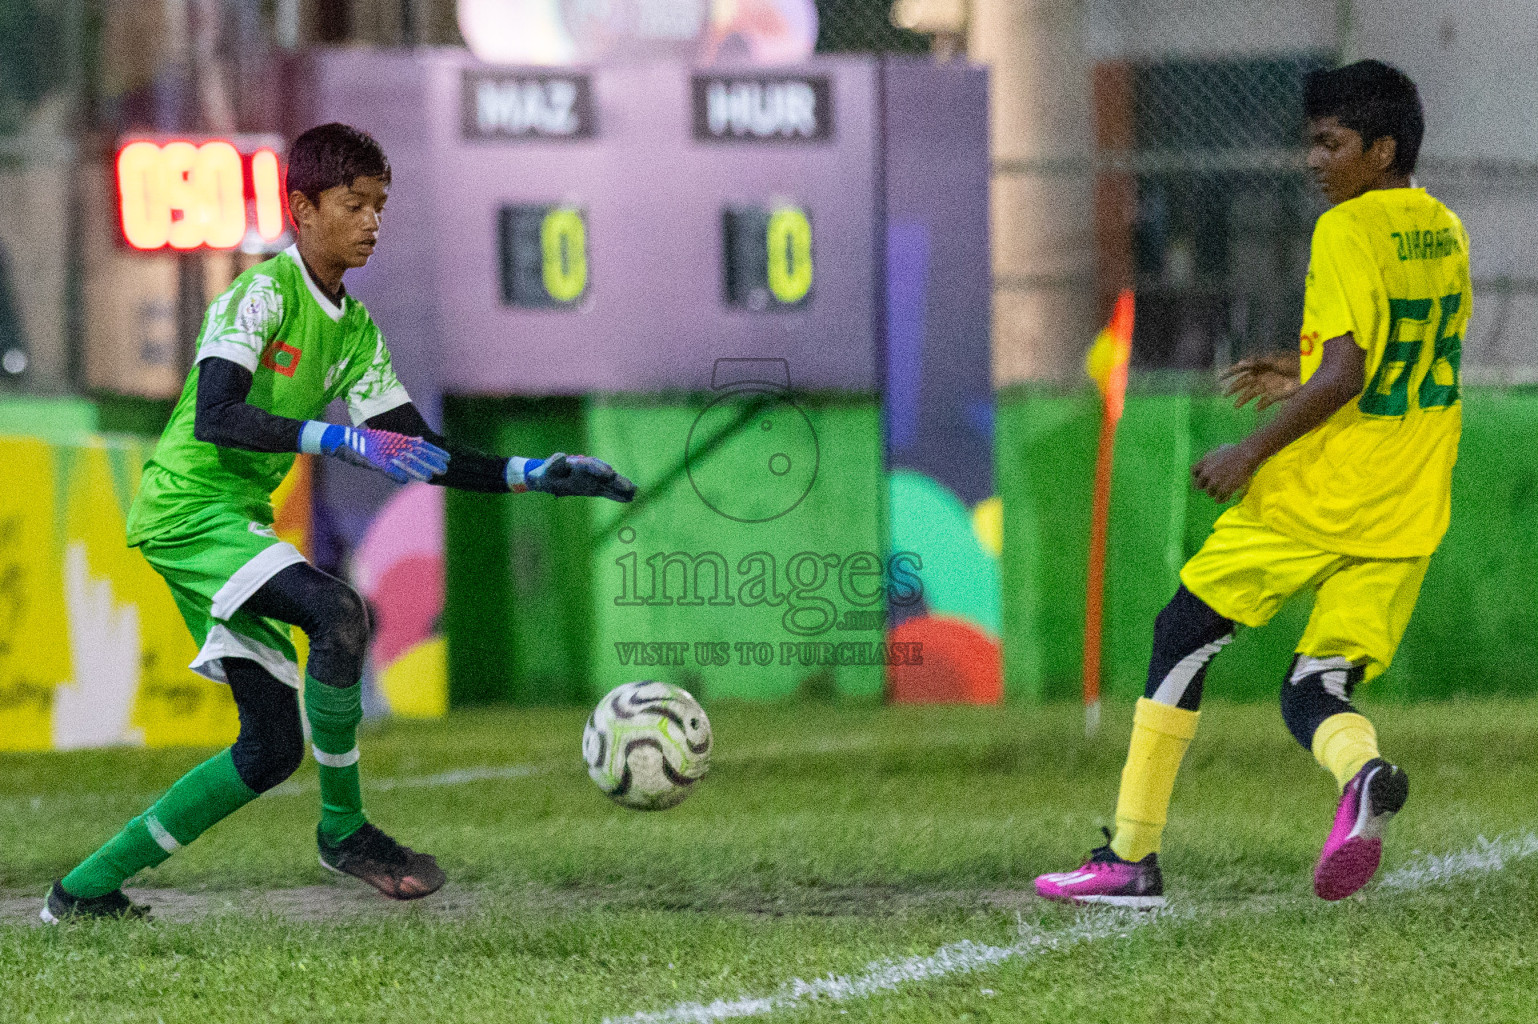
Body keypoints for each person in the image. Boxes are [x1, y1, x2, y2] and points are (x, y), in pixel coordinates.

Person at [43, 123, 636, 922]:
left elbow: (419, 449)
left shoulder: (353, 331)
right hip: (189, 511)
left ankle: (81, 892)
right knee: (339, 611)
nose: (372, 222)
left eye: (380, 206)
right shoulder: (261, 294)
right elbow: (218, 414)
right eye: (354, 204)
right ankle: (345, 830)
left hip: (231, 521)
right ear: (302, 209)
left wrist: (534, 474)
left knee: (268, 750)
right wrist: (335, 436)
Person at [1035, 60, 1471, 907]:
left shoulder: (1346, 229)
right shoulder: (1445, 228)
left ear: (1381, 149)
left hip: (1321, 496)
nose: (1314, 160)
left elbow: (1347, 374)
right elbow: (1383, 357)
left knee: (1181, 632)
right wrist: (1302, 366)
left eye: (1330, 143)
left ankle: (1131, 856)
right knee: (1318, 686)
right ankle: (1363, 772)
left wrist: (1251, 452)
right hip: (1412, 501)